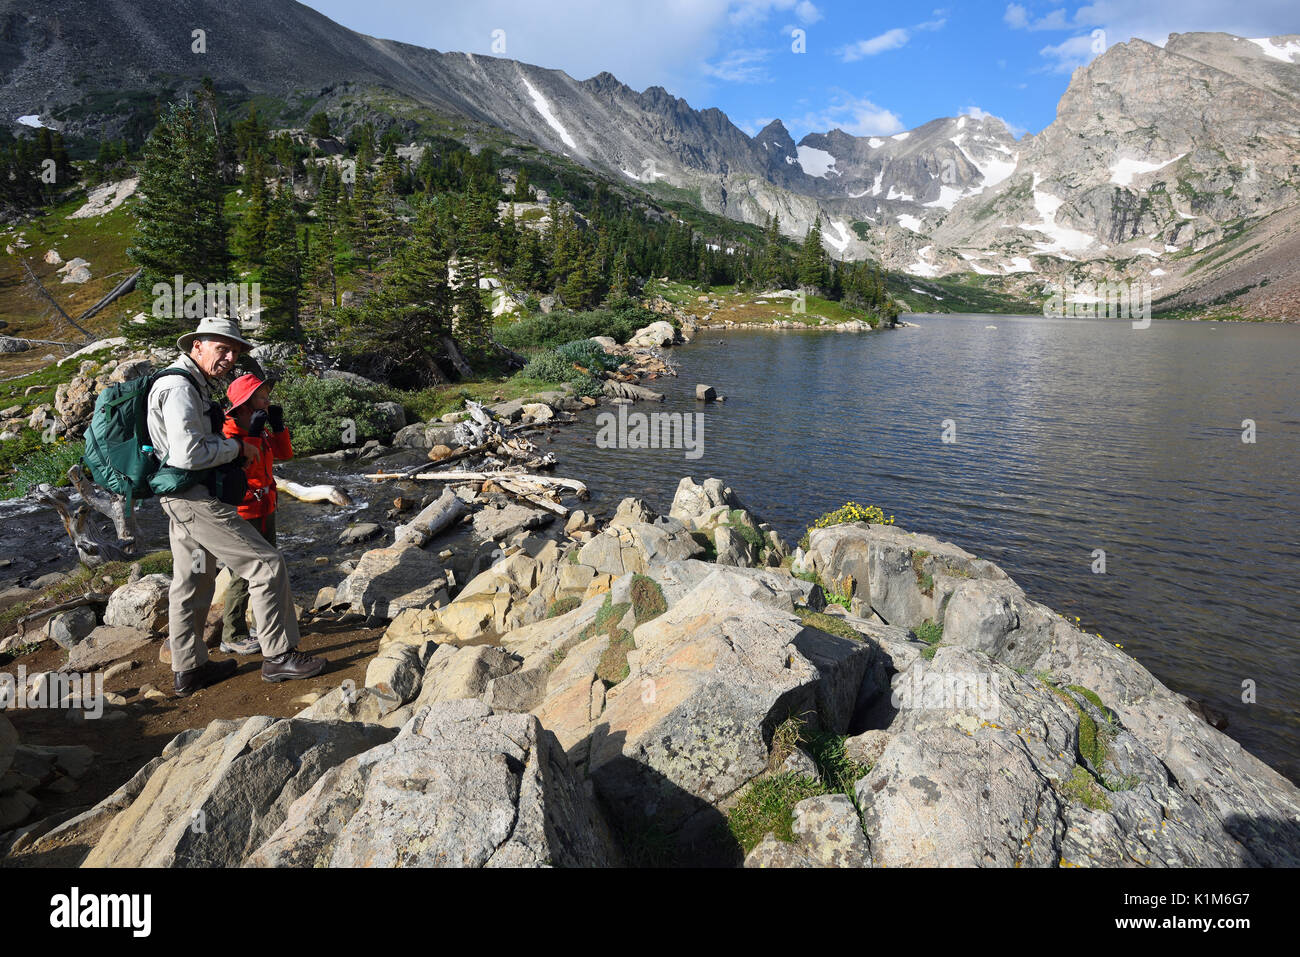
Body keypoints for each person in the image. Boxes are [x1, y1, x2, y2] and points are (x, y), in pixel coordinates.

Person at [147, 316, 326, 696]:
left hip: (181, 496)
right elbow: (188, 452)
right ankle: (279, 656)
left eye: (234, 351)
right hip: (192, 497)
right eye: (220, 348)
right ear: (196, 345)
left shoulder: (189, 383)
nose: (228, 356)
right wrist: (237, 448)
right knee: (265, 564)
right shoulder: (180, 388)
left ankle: (190, 668)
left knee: (193, 581)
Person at [218, 373, 293, 656]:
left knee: (269, 569)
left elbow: (285, 455)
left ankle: (259, 623)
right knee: (244, 572)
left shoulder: (258, 428)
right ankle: (231, 634)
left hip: (266, 507)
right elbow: (240, 464)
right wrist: (251, 433)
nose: (268, 400)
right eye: (263, 397)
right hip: (243, 511)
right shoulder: (228, 432)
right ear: (245, 403)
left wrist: (278, 426)